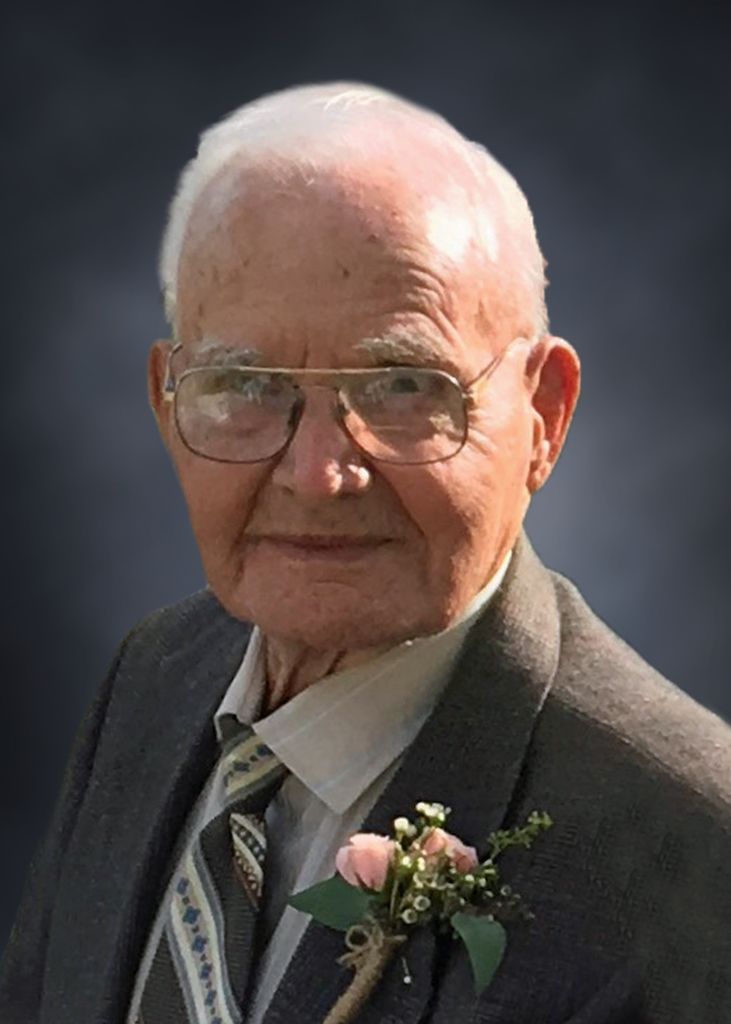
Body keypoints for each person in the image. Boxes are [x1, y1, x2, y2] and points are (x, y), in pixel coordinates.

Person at [2, 82, 729, 1024]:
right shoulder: (151, 676)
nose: (316, 475)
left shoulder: (689, 849)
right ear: (166, 402)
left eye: (401, 385)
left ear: (543, 416)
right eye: (244, 383)